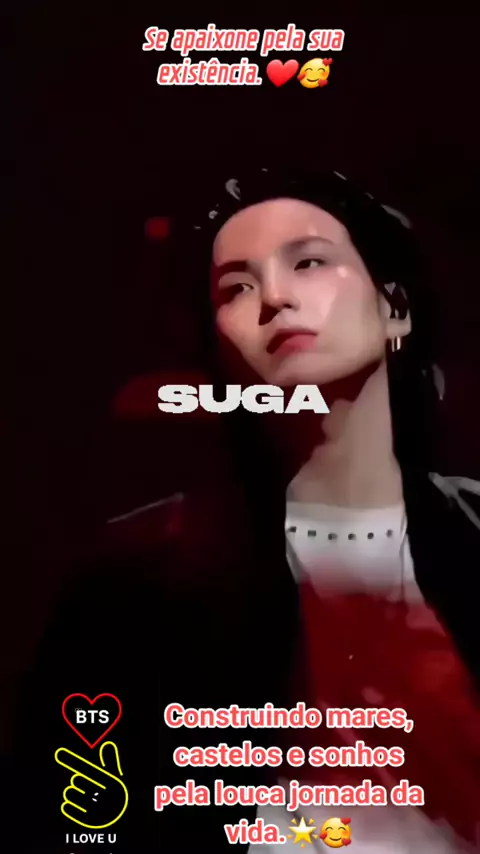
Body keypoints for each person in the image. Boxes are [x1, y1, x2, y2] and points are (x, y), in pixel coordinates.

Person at [12, 166, 480, 853]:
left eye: (309, 262)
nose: (275, 297)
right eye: (237, 286)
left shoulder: (471, 535)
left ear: (395, 309)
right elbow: (76, 817)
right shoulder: (139, 583)